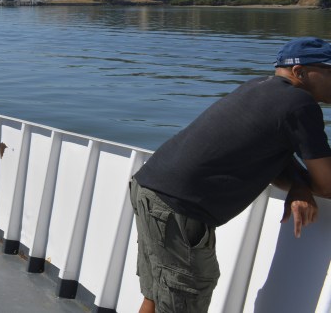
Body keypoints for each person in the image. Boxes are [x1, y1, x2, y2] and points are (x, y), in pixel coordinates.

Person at [129, 36, 331, 313]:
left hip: (149, 188)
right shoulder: (300, 104)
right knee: (182, 302)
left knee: (155, 295)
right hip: (178, 208)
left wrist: (299, 184)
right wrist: (306, 185)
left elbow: (272, 155)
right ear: (300, 71)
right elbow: (327, 184)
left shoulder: (256, 88)